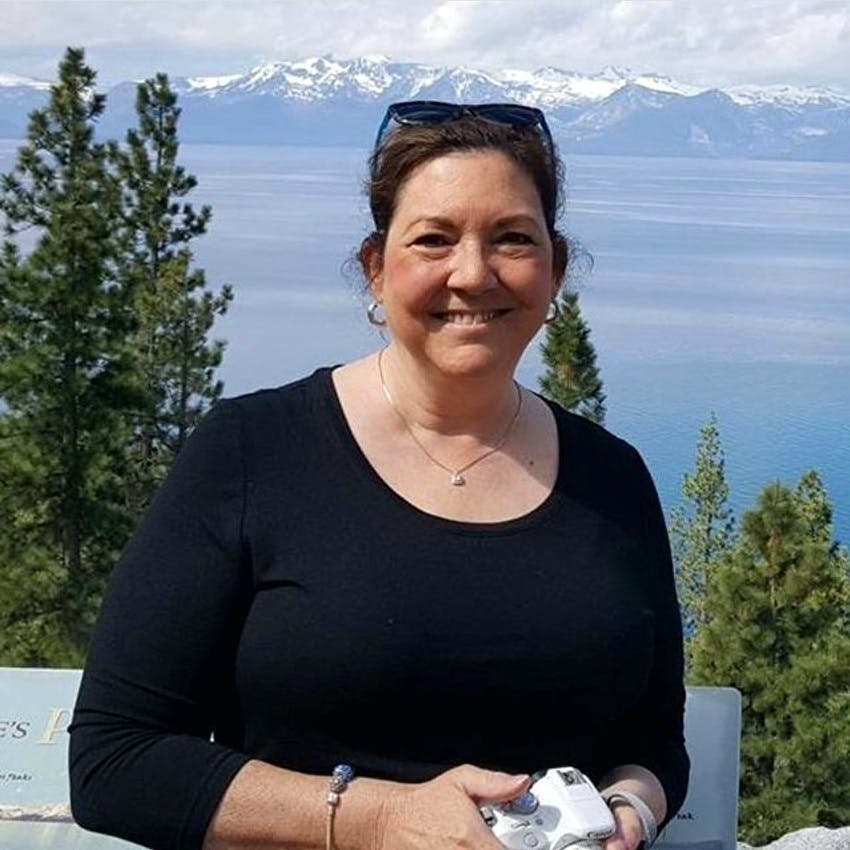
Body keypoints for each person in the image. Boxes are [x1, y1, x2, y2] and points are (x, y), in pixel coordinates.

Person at [69, 101, 689, 850]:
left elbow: (654, 744)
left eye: (513, 239)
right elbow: (115, 761)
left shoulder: (612, 478)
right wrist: (382, 817)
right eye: (433, 239)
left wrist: (628, 812)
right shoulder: (250, 452)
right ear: (376, 266)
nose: (473, 272)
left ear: (553, 269)